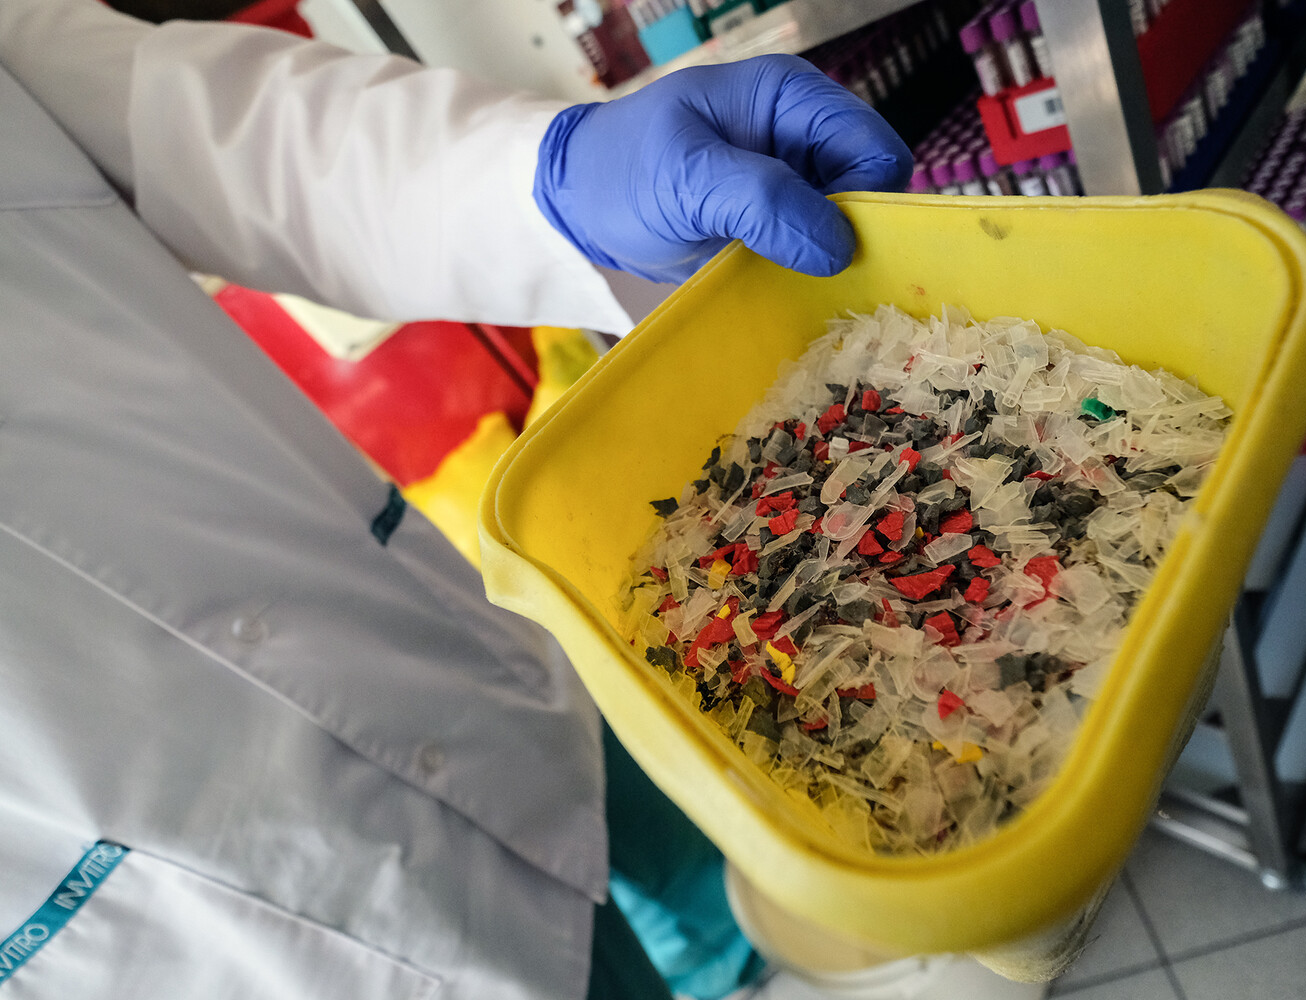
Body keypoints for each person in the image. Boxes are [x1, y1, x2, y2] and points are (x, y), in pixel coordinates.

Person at [0, 1, 910, 997]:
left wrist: (542, 180)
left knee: (711, 859)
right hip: (172, 932)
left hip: (410, 650)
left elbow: (199, 131)